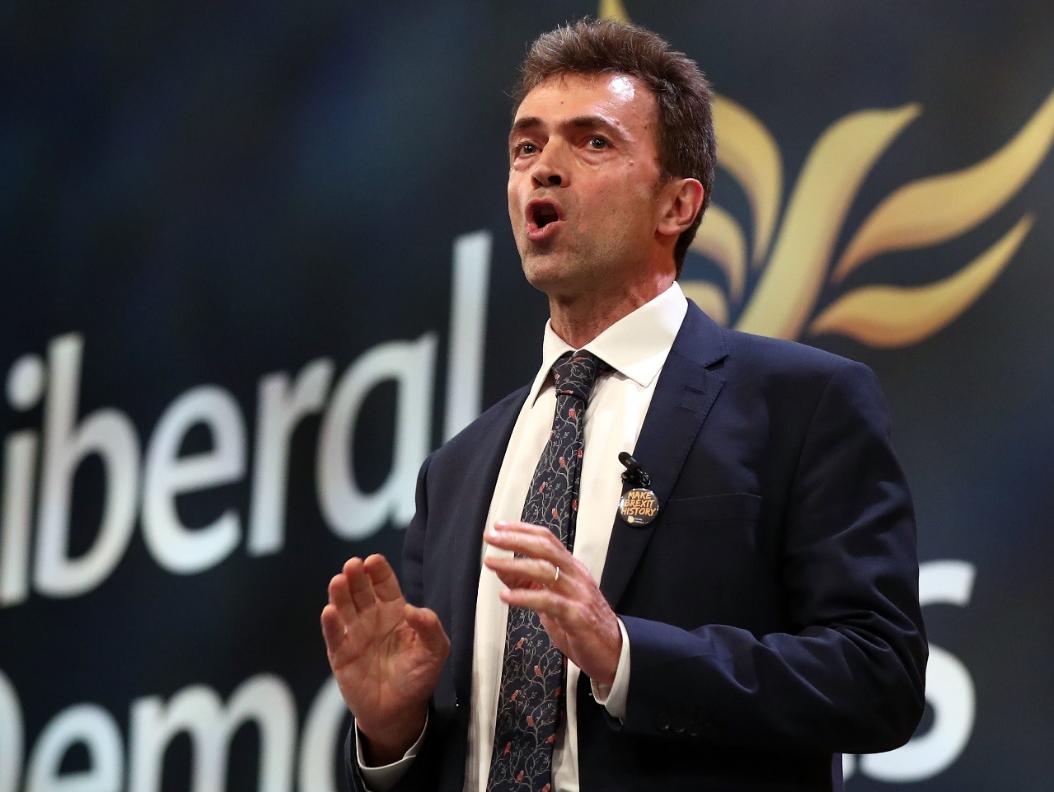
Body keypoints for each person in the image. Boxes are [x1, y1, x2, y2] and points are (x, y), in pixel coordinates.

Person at [321, 18, 926, 792]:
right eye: (526, 147)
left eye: (592, 142)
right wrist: (391, 733)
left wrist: (626, 655)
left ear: (676, 205)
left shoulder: (801, 404)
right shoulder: (456, 471)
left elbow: (878, 676)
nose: (543, 169)